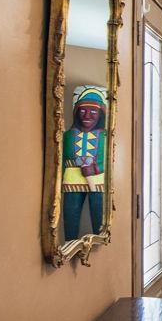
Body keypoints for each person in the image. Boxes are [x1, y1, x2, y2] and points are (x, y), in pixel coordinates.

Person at [61, 86, 107, 241]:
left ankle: (100, 246)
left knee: (99, 217)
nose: (87, 115)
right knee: (70, 216)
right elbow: (62, 159)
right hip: (72, 180)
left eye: (93, 112)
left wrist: (95, 167)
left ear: (101, 114)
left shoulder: (105, 137)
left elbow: (109, 160)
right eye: (83, 111)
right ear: (76, 112)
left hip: (98, 181)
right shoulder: (68, 136)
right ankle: (70, 244)